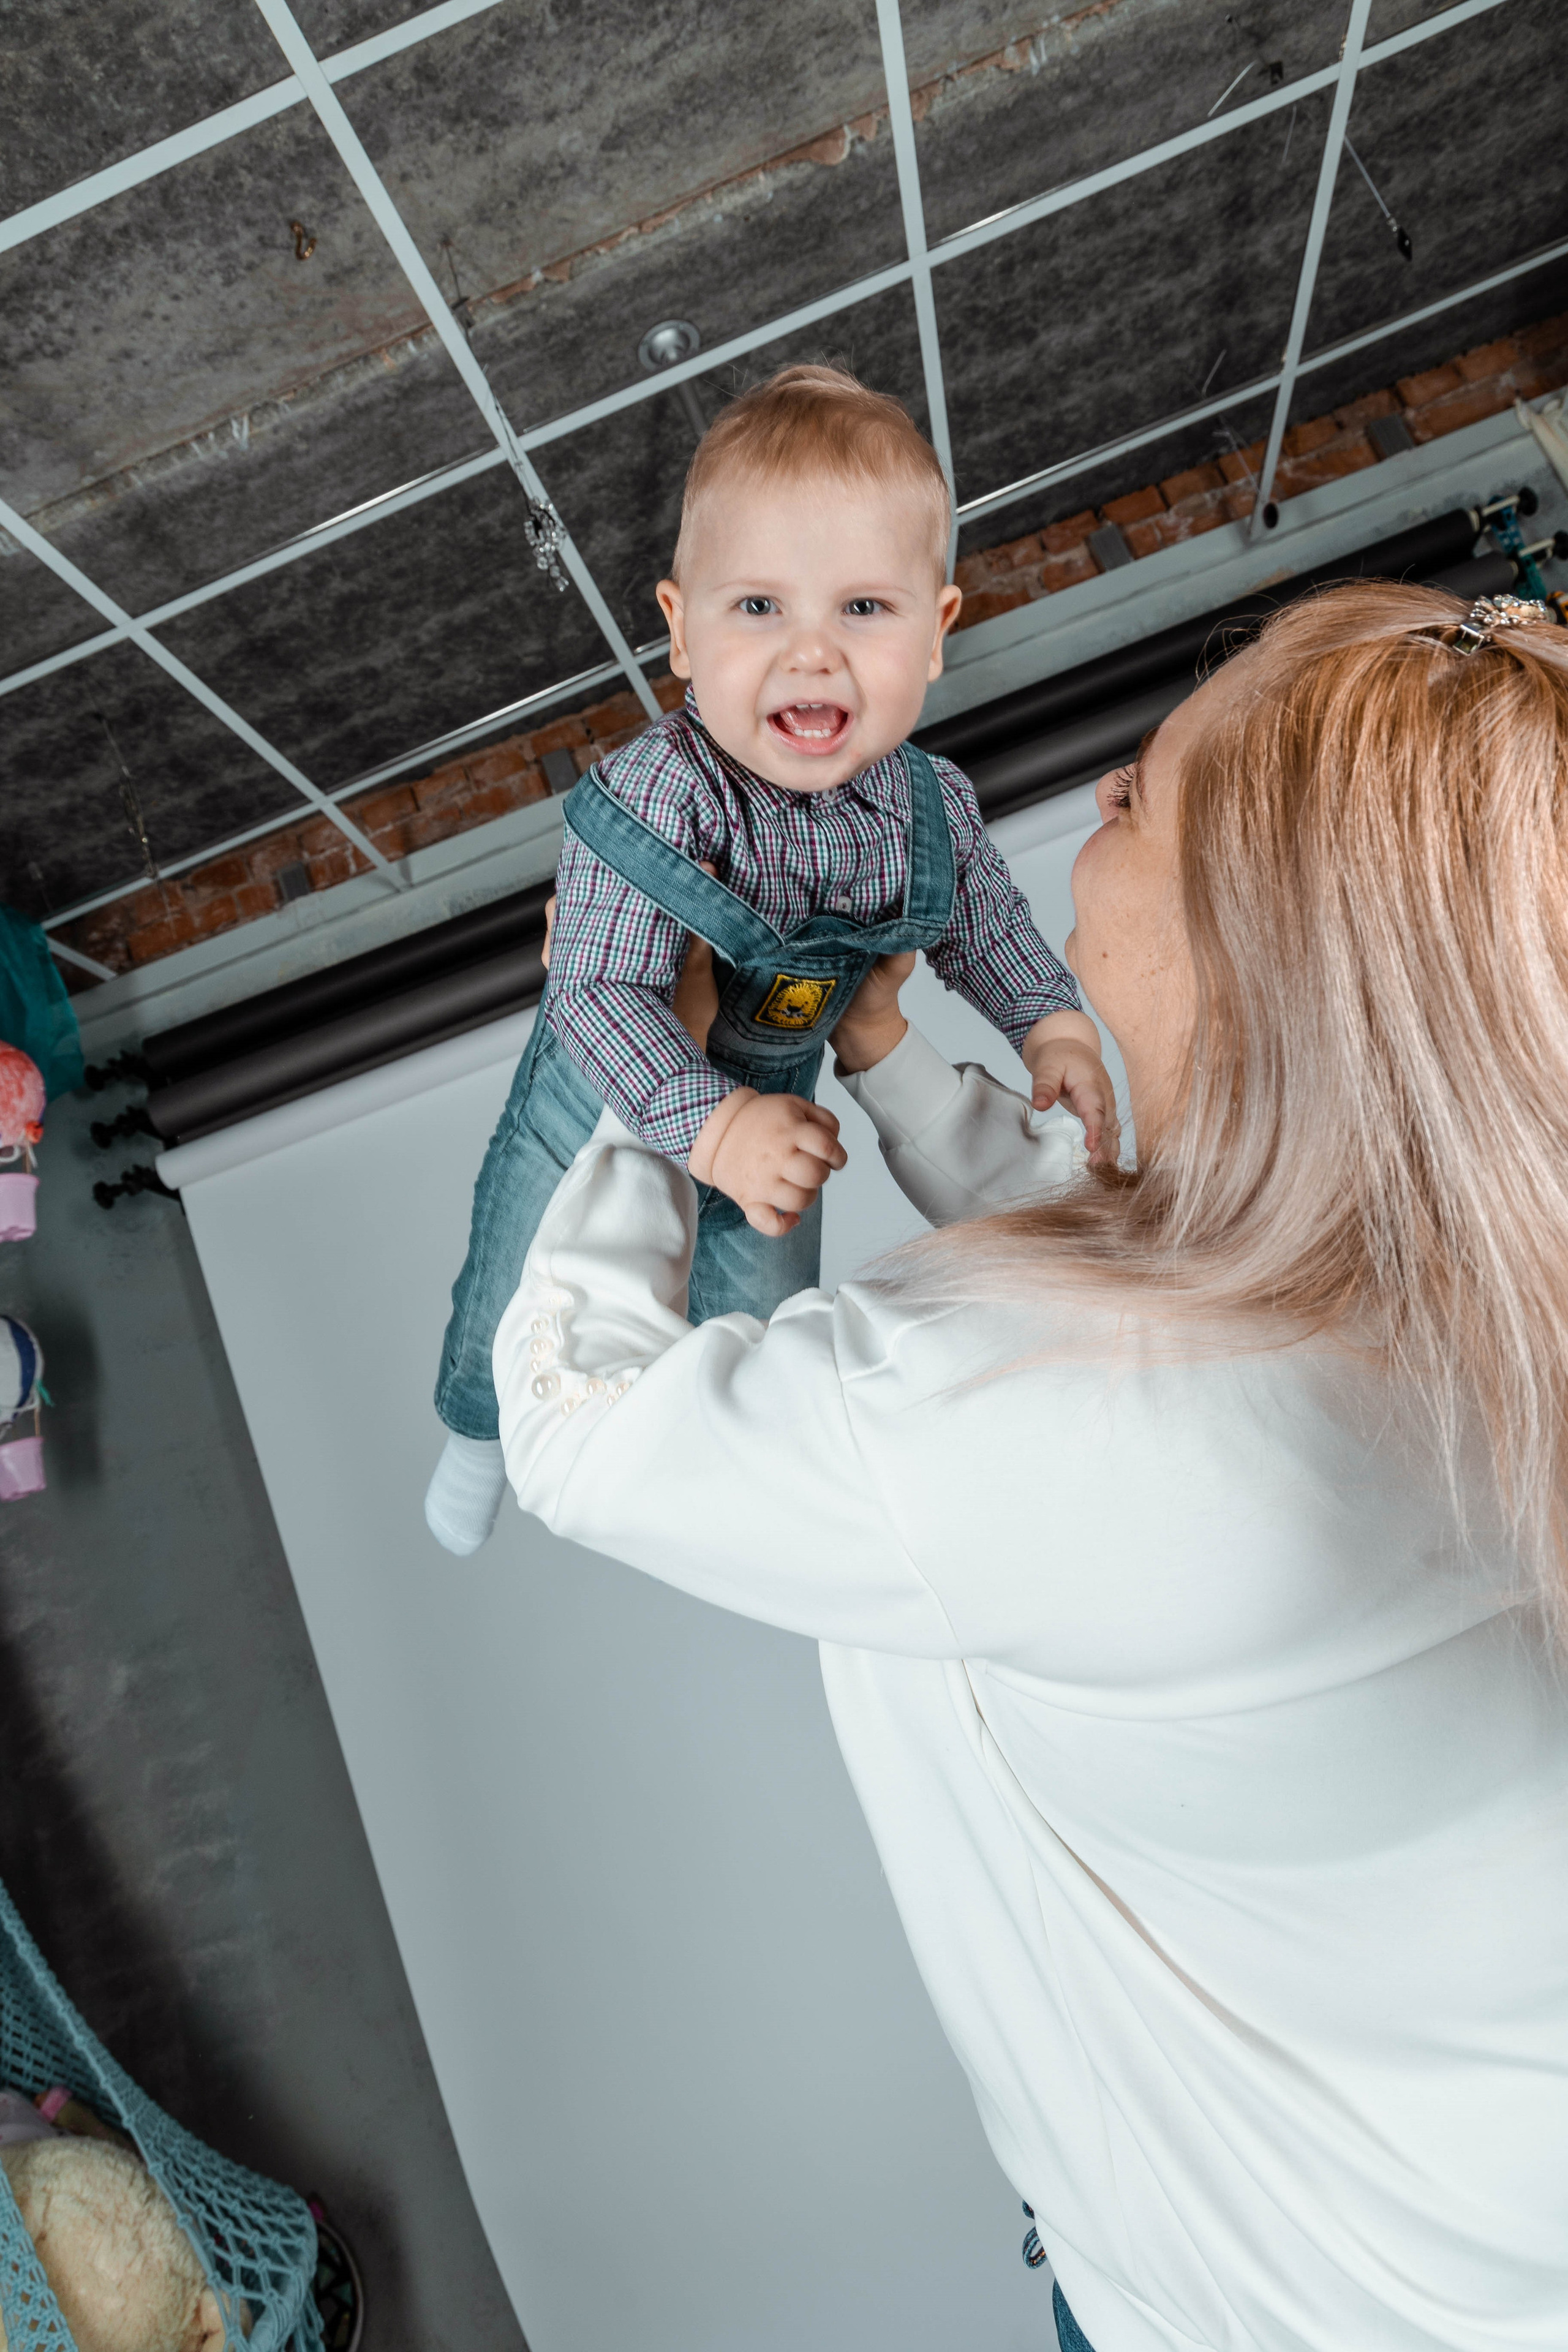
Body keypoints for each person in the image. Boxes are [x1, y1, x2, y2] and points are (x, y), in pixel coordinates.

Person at [490, 584, 1568, 2352]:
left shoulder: (1069, 1428)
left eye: (1142, 797)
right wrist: (881, 1045)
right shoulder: (1483, 1258)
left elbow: (583, 1430)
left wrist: (644, 1068)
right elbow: (1172, 1295)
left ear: (1256, 946)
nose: (1095, 804)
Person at [424, 363, 1115, 1555]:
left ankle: (722, 1463)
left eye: (863, 609)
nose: (811, 654)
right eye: (757, 608)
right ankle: (479, 1433)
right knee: (518, 1273)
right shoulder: (658, 792)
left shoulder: (928, 805)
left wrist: (1050, 1029)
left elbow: (984, 926)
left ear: (936, 632)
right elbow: (595, 990)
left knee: (761, 1310)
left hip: (779, 1105)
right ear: (679, 629)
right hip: (601, 1104)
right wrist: (707, 1126)